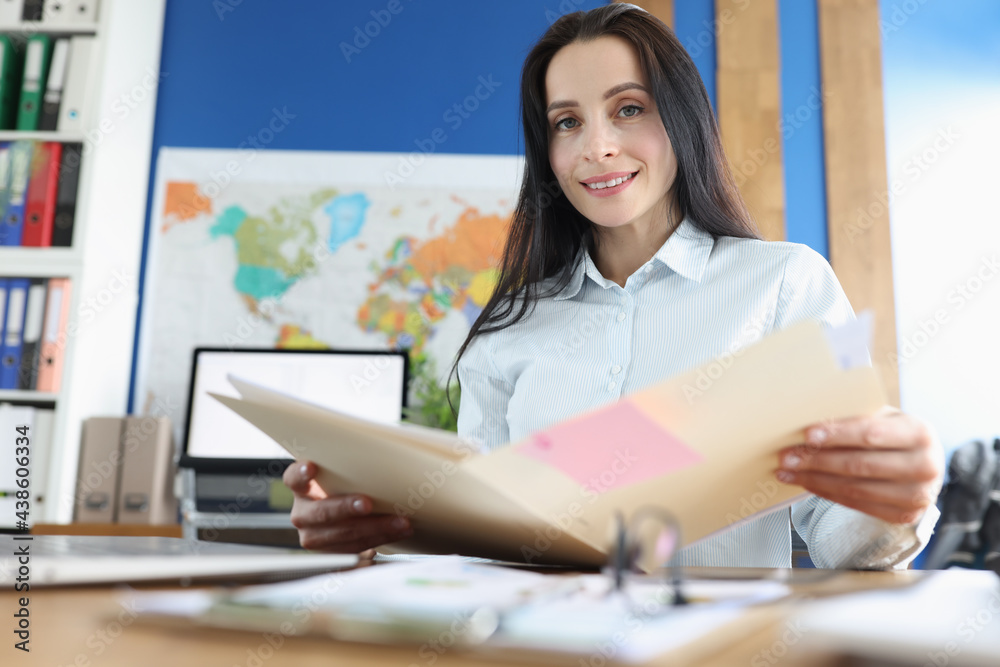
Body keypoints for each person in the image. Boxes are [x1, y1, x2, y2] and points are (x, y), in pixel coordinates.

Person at [284, 4, 943, 568]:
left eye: (628, 109)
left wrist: (897, 501)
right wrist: (370, 531)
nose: (596, 147)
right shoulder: (513, 322)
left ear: (682, 120)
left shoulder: (785, 284)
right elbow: (479, 547)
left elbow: (843, 538)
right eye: (566, 121)